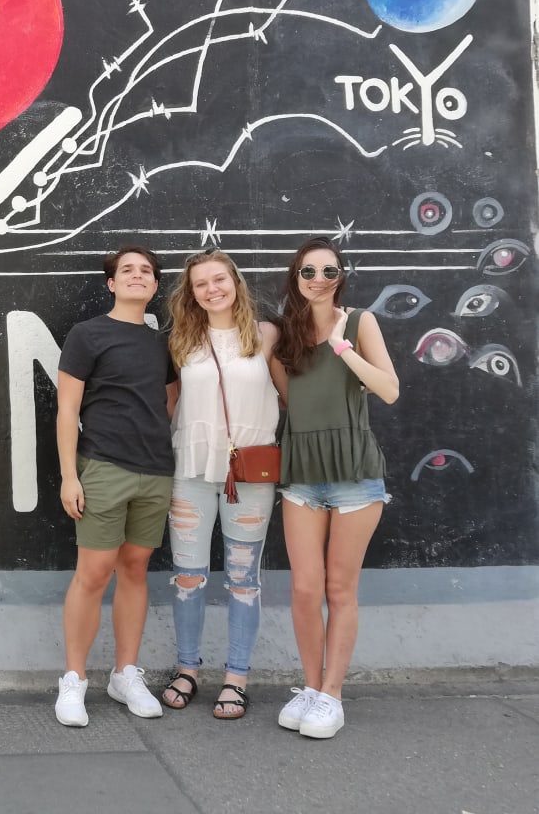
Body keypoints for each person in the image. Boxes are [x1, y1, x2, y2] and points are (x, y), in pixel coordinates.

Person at [271, 237, 399, 740]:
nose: (319, 280)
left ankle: (332, 695)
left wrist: (345, 349)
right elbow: (290, 401)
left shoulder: (360, 321)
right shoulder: (285, 335)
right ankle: (310, 687)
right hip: (301, 472)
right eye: (308, 273)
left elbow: (388, 389)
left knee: (340, 589)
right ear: (295, 279)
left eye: (329, 271)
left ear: (340, 276)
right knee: (304, 589)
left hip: (354, 474)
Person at [54, 245, 179, 727]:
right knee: (94, 572)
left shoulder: (160, 344)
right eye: (126, 270)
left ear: (153, 286)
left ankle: (125, 674)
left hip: (155, 471)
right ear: (111, 283)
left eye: (146, 271)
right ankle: (74, 680)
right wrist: (70, 476)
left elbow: (167, 402)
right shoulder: (87, 335)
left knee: (134, 568)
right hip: (103, 468)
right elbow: (67, 410)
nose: (136, 276)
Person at [159, 249, 281, 720]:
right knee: (188, 579)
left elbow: (290, 396)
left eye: (219, 279)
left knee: (243, 582)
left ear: (235, 281)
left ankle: (236, 677)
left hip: (248, 475)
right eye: (201, 284)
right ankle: (187, 669)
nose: (212, 289)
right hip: (189, 472)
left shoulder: (266, 335)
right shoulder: (181, 341)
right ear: (190, 294)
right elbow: (168, 406)